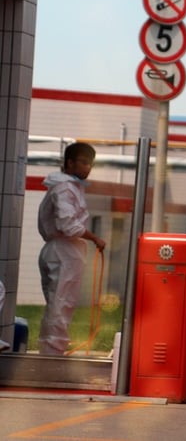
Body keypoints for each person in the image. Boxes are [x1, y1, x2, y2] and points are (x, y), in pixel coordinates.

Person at [36, 142, 106, 356]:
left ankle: (49, 352)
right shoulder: (65, 187)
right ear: (69, 162)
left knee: (58, 303)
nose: (87, 168)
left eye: (90, 164)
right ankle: (52, 356)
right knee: (62, 303)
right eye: (83, 162)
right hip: (64, 251)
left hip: (62, 250)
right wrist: (94, 237)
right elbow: (68, 224)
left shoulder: (68, 186)